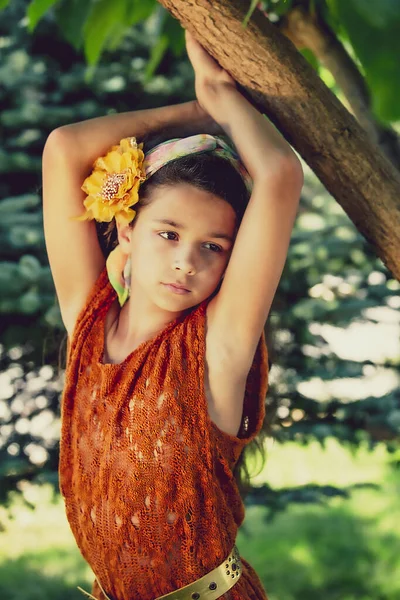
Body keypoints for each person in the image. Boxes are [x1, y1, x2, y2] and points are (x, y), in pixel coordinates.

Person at [42, 29, 303, 600]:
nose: (186, 262)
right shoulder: (88, 322)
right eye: (168, 233)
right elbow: (64, 149)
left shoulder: (217, 345)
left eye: (214, 247)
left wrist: (222, 97)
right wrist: (195, 110)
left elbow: (280, 176)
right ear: (128, 230)